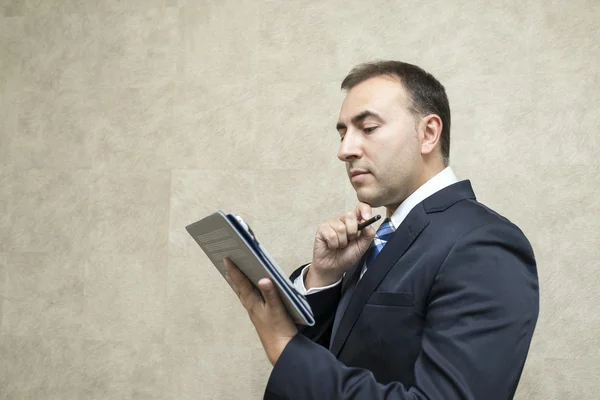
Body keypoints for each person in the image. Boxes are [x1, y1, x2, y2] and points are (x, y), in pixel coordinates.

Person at [224, 60, 540, 399]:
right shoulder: (378, 238)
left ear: (429, 133)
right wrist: (323, 277)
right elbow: (343, 355)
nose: (344, 150)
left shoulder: (484, 243)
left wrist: (284, 346)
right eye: (343, 133)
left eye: (368, 128)